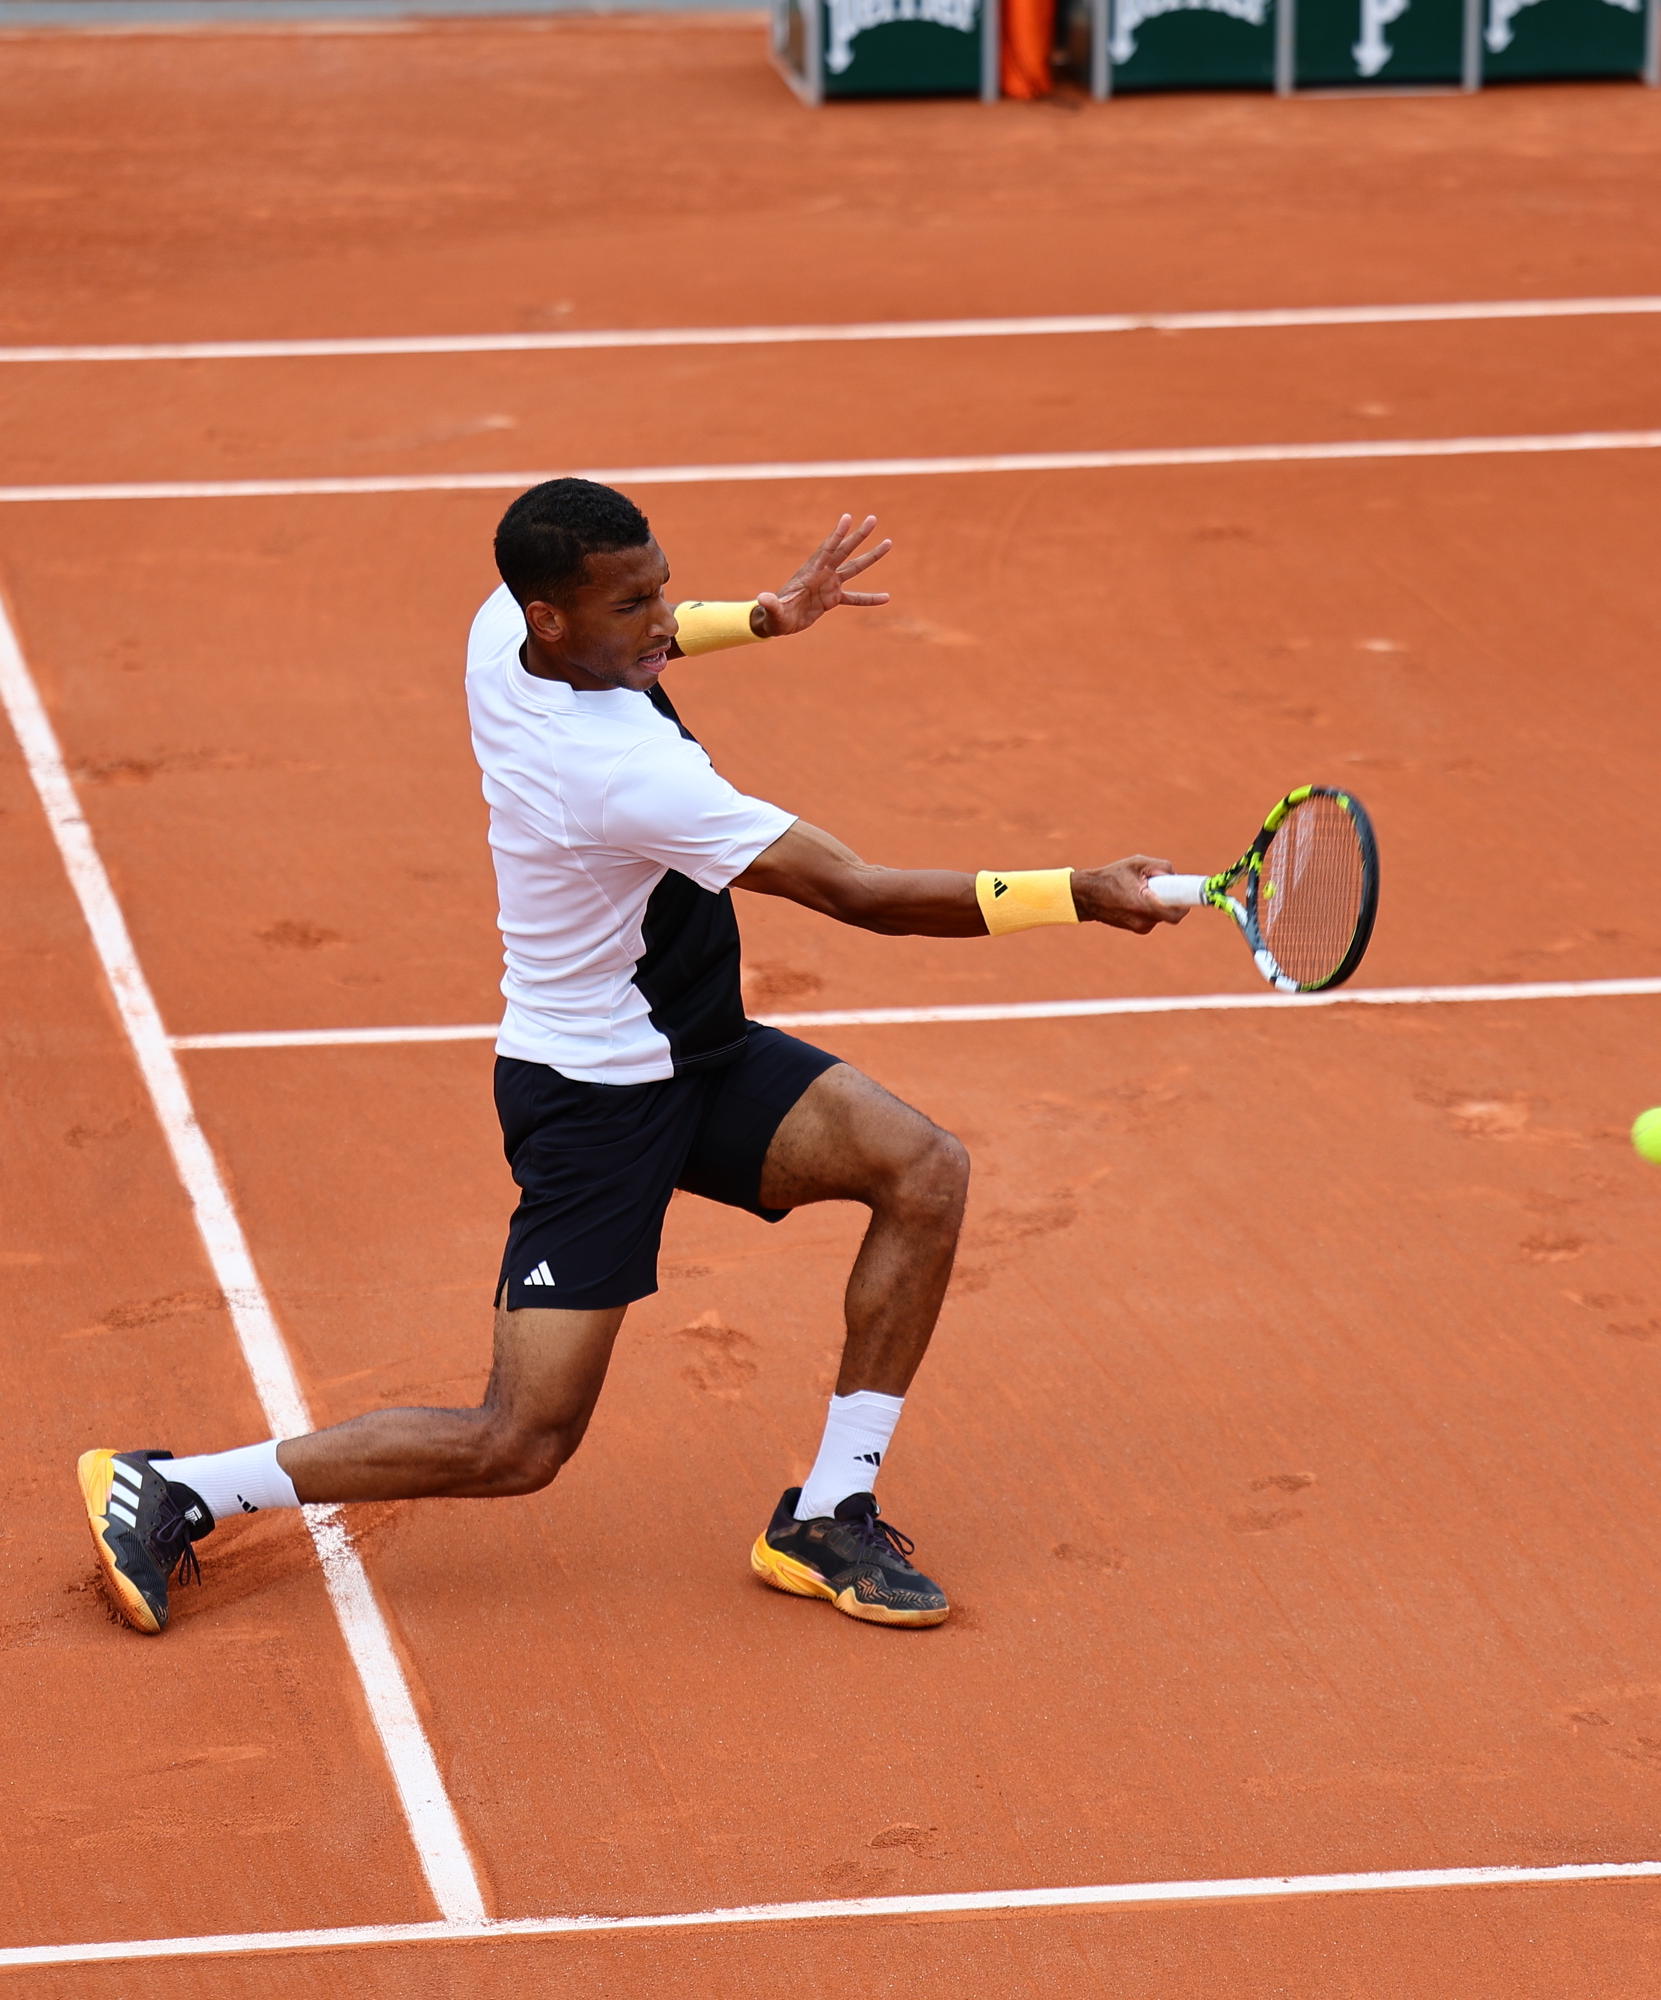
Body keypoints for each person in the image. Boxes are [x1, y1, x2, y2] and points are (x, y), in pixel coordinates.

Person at [78, 477, 1185, 1636]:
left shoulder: (499, 625)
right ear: (551, 619)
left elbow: (642, 625)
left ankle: (827, 1509)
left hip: (696, 1051)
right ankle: (183, 1486)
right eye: (636, 604)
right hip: (595, 1095)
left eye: (666, 587)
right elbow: (859, 890)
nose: (665, 619)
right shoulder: (617, 775)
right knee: (520, 1441)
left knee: (923, 1169)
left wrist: (763, 615)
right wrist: (1083, 892)